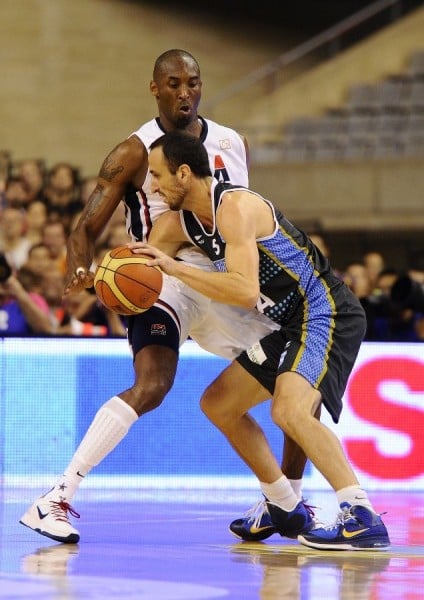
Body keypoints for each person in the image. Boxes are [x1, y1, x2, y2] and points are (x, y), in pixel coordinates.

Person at [20, 49, 311, 545]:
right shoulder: (134, 151)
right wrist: (86, 270)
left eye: (192, 83)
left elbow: (242, 219)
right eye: (173, 84)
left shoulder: (231, 142)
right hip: (160, 276)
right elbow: (84, 228)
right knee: (153, 385)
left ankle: (285, 500)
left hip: (222, 279)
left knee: (300, 368)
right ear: (155, 88)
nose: (185, 93)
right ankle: (56, 496)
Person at [131, 130, 390, 551]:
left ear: (183, 172)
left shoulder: (235, 206)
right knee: (218, 403)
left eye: (158, 176)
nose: (153, 187)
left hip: (324, 311)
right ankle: (283, 504)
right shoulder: (179, 222)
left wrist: (175, 270)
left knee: (288, 411)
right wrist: (98, 277)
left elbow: (245, 291)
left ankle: (361, 513)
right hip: (289, 324)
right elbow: (137, 261)